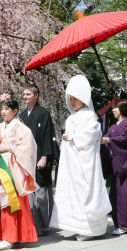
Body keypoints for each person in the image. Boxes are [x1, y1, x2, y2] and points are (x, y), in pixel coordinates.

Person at [49, 75, 111, 240]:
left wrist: (73, 137)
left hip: (86, 162)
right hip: (72, 164)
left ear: (84, 99)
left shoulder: (90, 116)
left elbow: (91, 136)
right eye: (71, 99)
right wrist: (67, 138)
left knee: (87, 192)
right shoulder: (71, 118)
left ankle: (91, 229)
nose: (73, 101)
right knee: (73, 193)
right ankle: (78, 226)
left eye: (76, 98)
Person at [0, 95, 38, 251]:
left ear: (15, 111)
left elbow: (27, 145)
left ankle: (10, 237)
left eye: (7, 109)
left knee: (10, 199)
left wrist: (6, 146)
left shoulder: (20, 126)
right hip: (0, 167)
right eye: (2, 108)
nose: (3, 112)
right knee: (2, 200)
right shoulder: (0, 127)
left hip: (12, 168)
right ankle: (11, 236)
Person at [19, 84, 59, 235]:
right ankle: (35, 225)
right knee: (30, 194)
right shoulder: (22, 116)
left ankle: (45, 224)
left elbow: (47, 136)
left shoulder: (43, 114)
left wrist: (44, 157)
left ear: (36, 96)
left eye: (28, 94)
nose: (25, 97)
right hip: (27, 158)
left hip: (40, 158)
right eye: (24, 94)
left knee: (42, 194)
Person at [100, 100, 127, 235]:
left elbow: (126, 140)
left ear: (123, 109)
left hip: (125, 163)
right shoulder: (113, 126)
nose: (113, 110)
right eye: (113, 108)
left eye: (116, 108)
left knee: (125, 193)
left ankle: (125, 224)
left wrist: (110, 140)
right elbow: (106, 138)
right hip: (115, 165)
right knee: (115, 194)